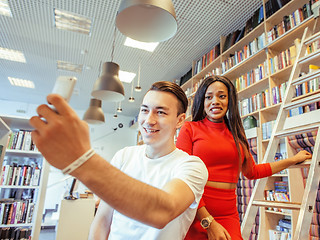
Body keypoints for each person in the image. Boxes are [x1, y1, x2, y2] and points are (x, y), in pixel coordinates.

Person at [29, 81, 208, 240]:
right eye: (144, 110)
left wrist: (82, 160)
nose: (149, 120)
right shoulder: (124, 156)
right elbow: (103, 220)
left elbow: (162, 211)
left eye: (160, 112)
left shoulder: (192, 166)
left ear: (180, 120)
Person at [176, 75, 312, 240]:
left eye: (222, 96)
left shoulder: (237, 133)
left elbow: (252, 172)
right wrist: (208, 222)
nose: (215, 101)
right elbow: (183, 179)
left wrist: (291, 160)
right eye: (208, 97)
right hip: (196, 210)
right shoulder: (190, 128)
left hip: (228, 214)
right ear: (201, 101)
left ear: (230, 100)